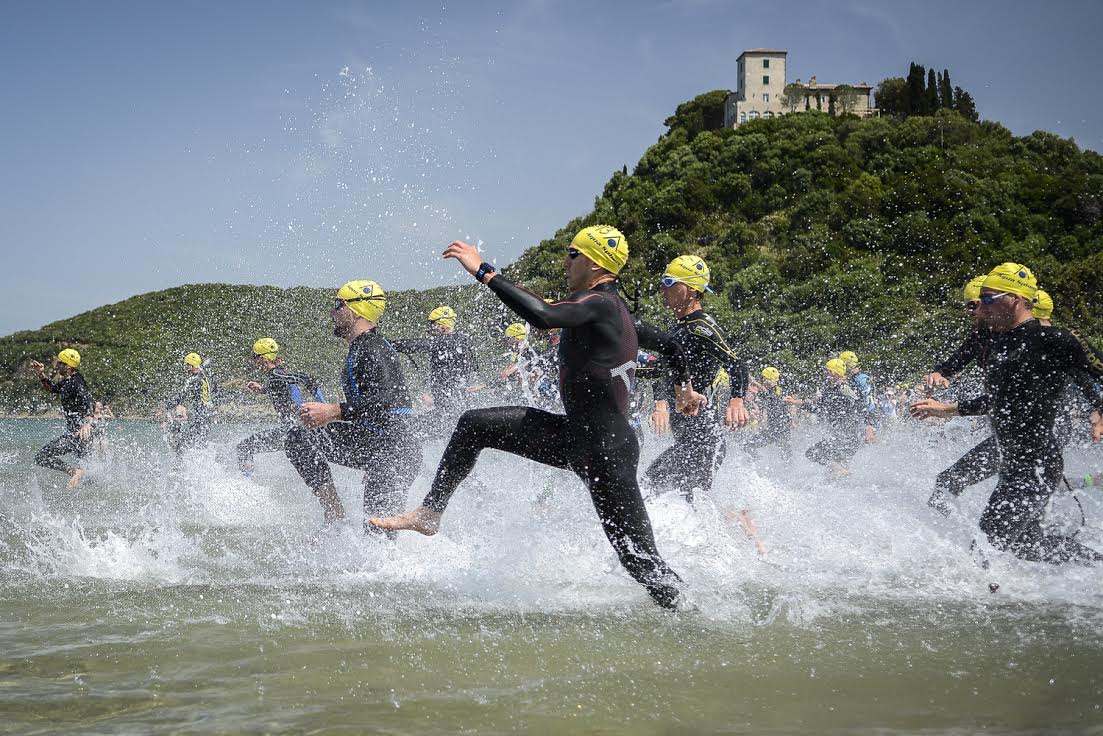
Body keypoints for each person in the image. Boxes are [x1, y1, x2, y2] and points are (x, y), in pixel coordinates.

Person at [372, 226, 707, 610]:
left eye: (572, 254)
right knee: (474, 424)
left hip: (606, 452)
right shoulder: (613, 313)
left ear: (595, 263)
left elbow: (544, 315)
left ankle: (693, 613)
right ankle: (430, 513)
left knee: (641, 562)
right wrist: (683, 388)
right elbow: (671, 346)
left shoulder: (601, 304)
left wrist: (484, 271)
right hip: (574, 438)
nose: (566, 261)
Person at [912, 263, 1103, 564]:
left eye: (987, 299)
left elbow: (1092, 373)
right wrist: (944, 382)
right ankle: (1094, 566)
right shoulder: (1000, 342)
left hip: (1038, 463)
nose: (981, 309)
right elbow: (1002, 398)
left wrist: (1099, 409)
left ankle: (974, 599)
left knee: (985, 548)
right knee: (1027, 545)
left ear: (1015, 298)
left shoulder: (1054, 338)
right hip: (1012, 459)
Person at [292, 280, 422, 531]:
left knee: (379, 539)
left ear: (354, 310)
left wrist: (333, 411)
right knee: (299, 438)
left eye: (337, 305)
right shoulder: (363, 346)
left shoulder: (372, 347)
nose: (332, 312)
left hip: (394, 451)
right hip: (379, 445)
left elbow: (387, 400)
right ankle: (334, 514)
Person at [643, 255, 749, 502]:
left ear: (690, 289)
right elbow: (661, 370)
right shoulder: (678, 328)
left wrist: (736, 401)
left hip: (703, 441)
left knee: (648, 491)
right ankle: (740, 521)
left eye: (669, 281)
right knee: (678, 501)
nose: (663, 287)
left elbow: (736, 364)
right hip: (692, 440)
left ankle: (740, 522)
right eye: (662, 281)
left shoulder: (700, 326)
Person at [922, 276, 998, 514]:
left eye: (976, 304)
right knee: (946, 484)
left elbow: (1003, 397)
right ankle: (950, 544)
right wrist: (938, 373)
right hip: (1011, 437)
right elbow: (956, 360)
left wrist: (947, 409)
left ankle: (950, 545)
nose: (971, 312)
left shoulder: (1017, 340)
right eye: (969, 306)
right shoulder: (982, 336)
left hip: (1027, 441)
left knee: (946, 484)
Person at [236, 338, 325, 478]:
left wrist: (324, 407)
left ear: (263, 358)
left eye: (255, 357)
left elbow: (305, 378)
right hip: (296, 430)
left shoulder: (276, 376)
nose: (254, 362)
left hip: (295, 431)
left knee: (243, 447)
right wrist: (262, 389)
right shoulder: (278, 374)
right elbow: (282, 387)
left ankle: (246, 484)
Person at [391, 306, 481, 431]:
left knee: (409, 430)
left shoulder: (446, 341)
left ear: (444, 326)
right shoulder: (462, 341)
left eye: (433, 325)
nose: (430, 329)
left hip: (449, 413)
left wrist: (389, 344)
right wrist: (436, 401)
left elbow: (417, 345)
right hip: (455, 407)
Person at [788, 358, 866, 478]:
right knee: (830, 465)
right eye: (826, 371)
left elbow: (861, 405)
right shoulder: (829, 390)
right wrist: (797, 402)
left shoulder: (844, 388)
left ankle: (842, 473)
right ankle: (843, 478)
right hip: (840, 435)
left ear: (836, 373)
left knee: (814, 453)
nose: (826, 374)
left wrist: (867, 427)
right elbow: (817, 406)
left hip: (848, 435)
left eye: (828, 371)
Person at [30, 349, 95, 489]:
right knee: (42, 457)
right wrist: (40, 374)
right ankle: (75, 473)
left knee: (42, 457)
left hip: (80, 433)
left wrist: (87, 423)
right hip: (73, 433)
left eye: (60, 363)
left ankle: (77, 473)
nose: (57, 365)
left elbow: (89, 400)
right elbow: (52, 389)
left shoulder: (77, 382)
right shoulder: (68, 381)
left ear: (69, 366)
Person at [164, 352, 216, 455]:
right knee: (198, 446)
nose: (185, 368)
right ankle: (202, 467)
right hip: (207, 417)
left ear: (192, 366)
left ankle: (180, 470)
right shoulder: (205, 376)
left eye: (187, 365)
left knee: (181, 445)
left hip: (200, 418)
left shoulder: (193, 380)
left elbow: (181, 396)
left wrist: (168, 404)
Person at [743, 366, 792, 461]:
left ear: (769, 379)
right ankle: (759, 463)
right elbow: (762, 395)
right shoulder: (771, 390)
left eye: (763, 378)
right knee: (747, 445)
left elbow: (773, 398)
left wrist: (755, 383)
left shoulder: (778, 390)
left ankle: (789, 471)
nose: (761, 380)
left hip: (781, 431)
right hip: (773, 430)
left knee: (786, 457)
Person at [838, 351, 878, 444]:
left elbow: (870, 403)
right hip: (859, 420)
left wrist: (869, 427)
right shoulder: (853, 378)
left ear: (848, 365)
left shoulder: (862, 379)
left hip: (868, 423)